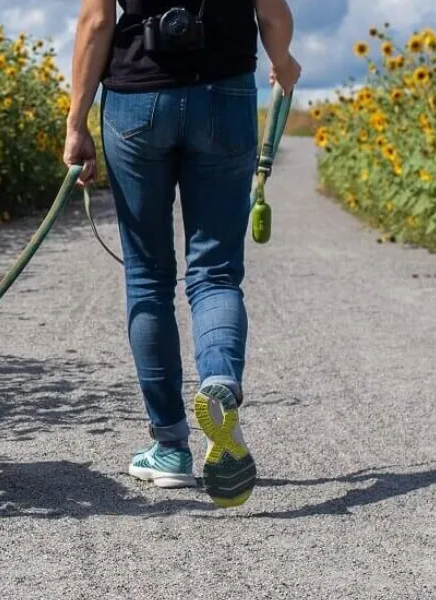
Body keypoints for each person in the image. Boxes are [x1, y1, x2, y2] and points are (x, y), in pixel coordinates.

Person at [63, 0, 300, 508]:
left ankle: (170, 446)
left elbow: (96, 21)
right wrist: (283, 60)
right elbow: (273, 14)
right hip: (225, 93)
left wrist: (76, 121)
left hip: (135, 98)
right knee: (215, 273)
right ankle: (218, 381)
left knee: (148, 277)